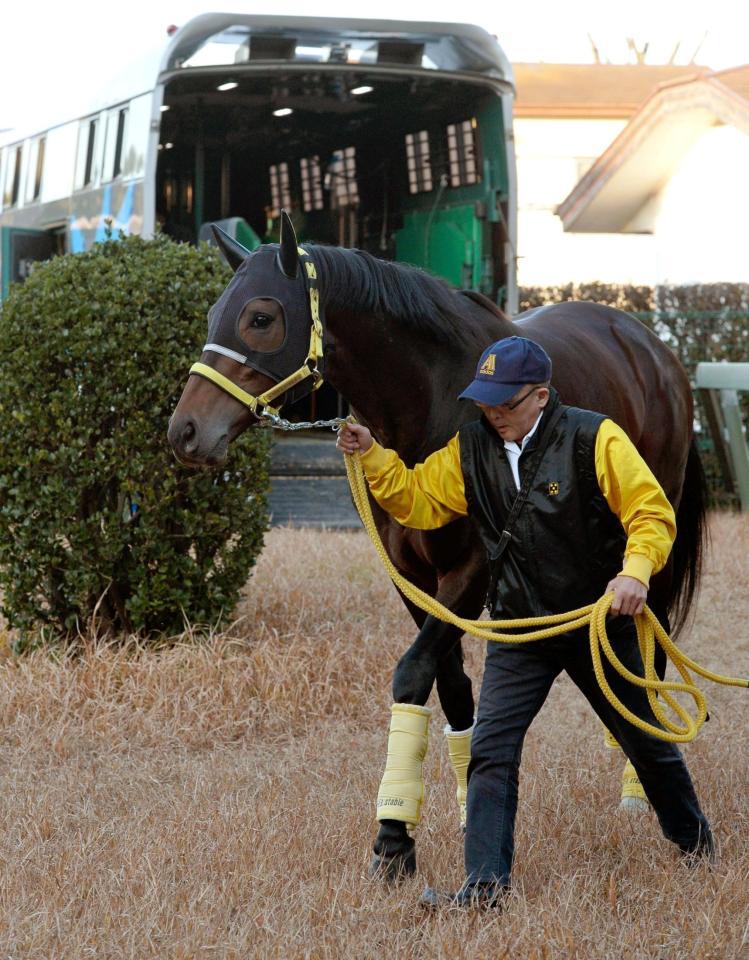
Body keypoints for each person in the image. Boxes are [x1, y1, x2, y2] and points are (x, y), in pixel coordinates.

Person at [336, 335, 713, 908]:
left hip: (595, 625)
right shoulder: (470, 447)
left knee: (645, 739)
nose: (493, 414)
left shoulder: (595, 437)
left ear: (540, 396)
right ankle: (484, 887)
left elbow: (651, 513)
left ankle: (696, 846)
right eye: (486, 403)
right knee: (491, 749)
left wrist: (635, 573)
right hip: (519, 629)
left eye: (505, 404)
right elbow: (417, 501)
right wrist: (373, 455)